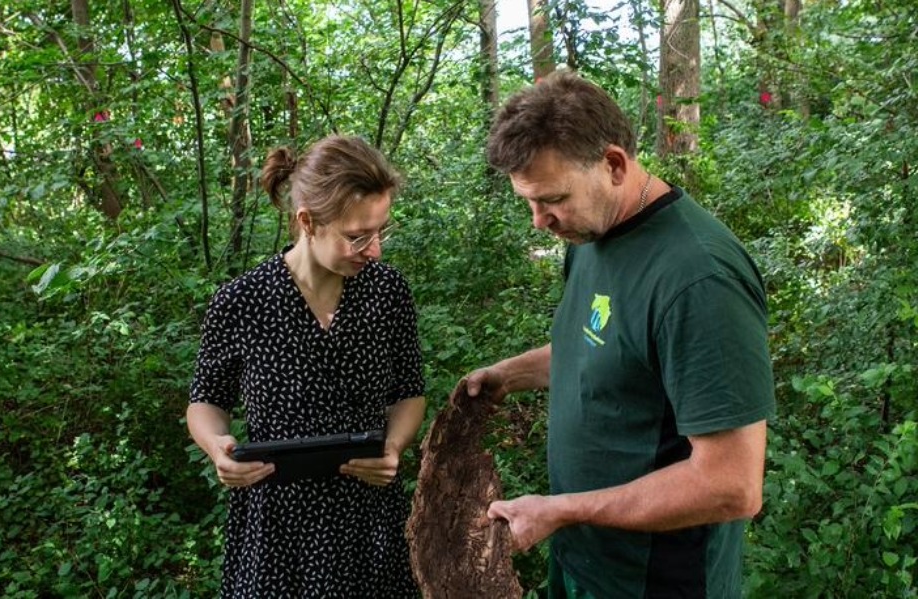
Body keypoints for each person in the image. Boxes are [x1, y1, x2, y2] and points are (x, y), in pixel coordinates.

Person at [464, 71, 775, 597]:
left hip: (656, 581)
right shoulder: (590, 233)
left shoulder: (697, 278)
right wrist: (506, 376)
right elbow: (600, 346)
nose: (540, 221)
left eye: (552, 199)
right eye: (529, 202)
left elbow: (733, 485)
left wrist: (564, 510)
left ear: (613, 164)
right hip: (587, 562)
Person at [187, 135, 426, 597]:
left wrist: (393, 448)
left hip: (367, 521)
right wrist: (217, 448)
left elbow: (409, 392)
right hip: (276, 528)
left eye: (382, 232)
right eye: (357, 236)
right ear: (307, 221)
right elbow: (206, 401)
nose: (374, 250)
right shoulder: (242, 301)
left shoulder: (387, 292)